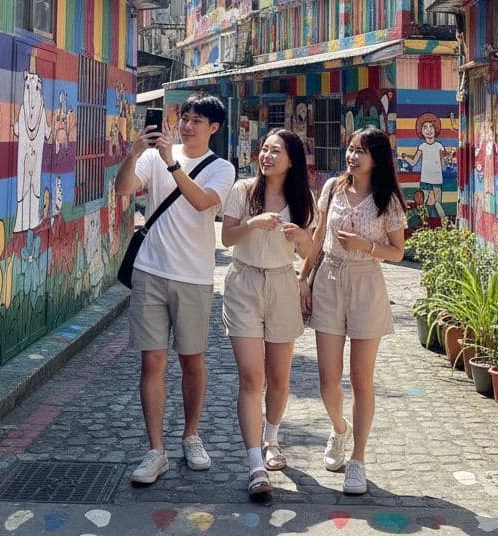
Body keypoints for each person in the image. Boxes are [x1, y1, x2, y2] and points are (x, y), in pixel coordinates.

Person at [114, 94, 236, 486]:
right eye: (185, 117)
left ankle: (191, 435)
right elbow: (123, 191)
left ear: (213, 128)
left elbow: (202, 203)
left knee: (192, 361)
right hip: (150, 271)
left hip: (194, 276)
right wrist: (134, 153)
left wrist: (171, 162)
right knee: (152, 362)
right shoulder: (153, 157)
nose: (187, 125)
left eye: (197, 120)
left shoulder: (222, 168)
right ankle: (156, 450)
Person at [299, 127, 406, 496]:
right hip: (328, 278)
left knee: (362, 380)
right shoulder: (331, 188)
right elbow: (316, 238)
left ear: (377, 157)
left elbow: (398, 252)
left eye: (361, 151)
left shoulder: (386, 200)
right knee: (328, 379)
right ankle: (340, 430)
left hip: (366, 283)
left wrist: (366, 245)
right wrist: (304, 279)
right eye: (350, 148)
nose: (352, 156)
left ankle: (358, 460)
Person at [221, 129, 315, 499]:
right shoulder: (244, 190)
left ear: (291, 159)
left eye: (276, 151)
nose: (267, 156)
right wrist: (252, 224)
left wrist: (300, 237)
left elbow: (310, 250)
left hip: (281, 284)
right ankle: (255, 465)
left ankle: (272, 438)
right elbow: (228, 237)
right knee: (251, 378)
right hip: (243, 283)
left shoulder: (302, 198)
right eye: (264, 150)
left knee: (278, 377)